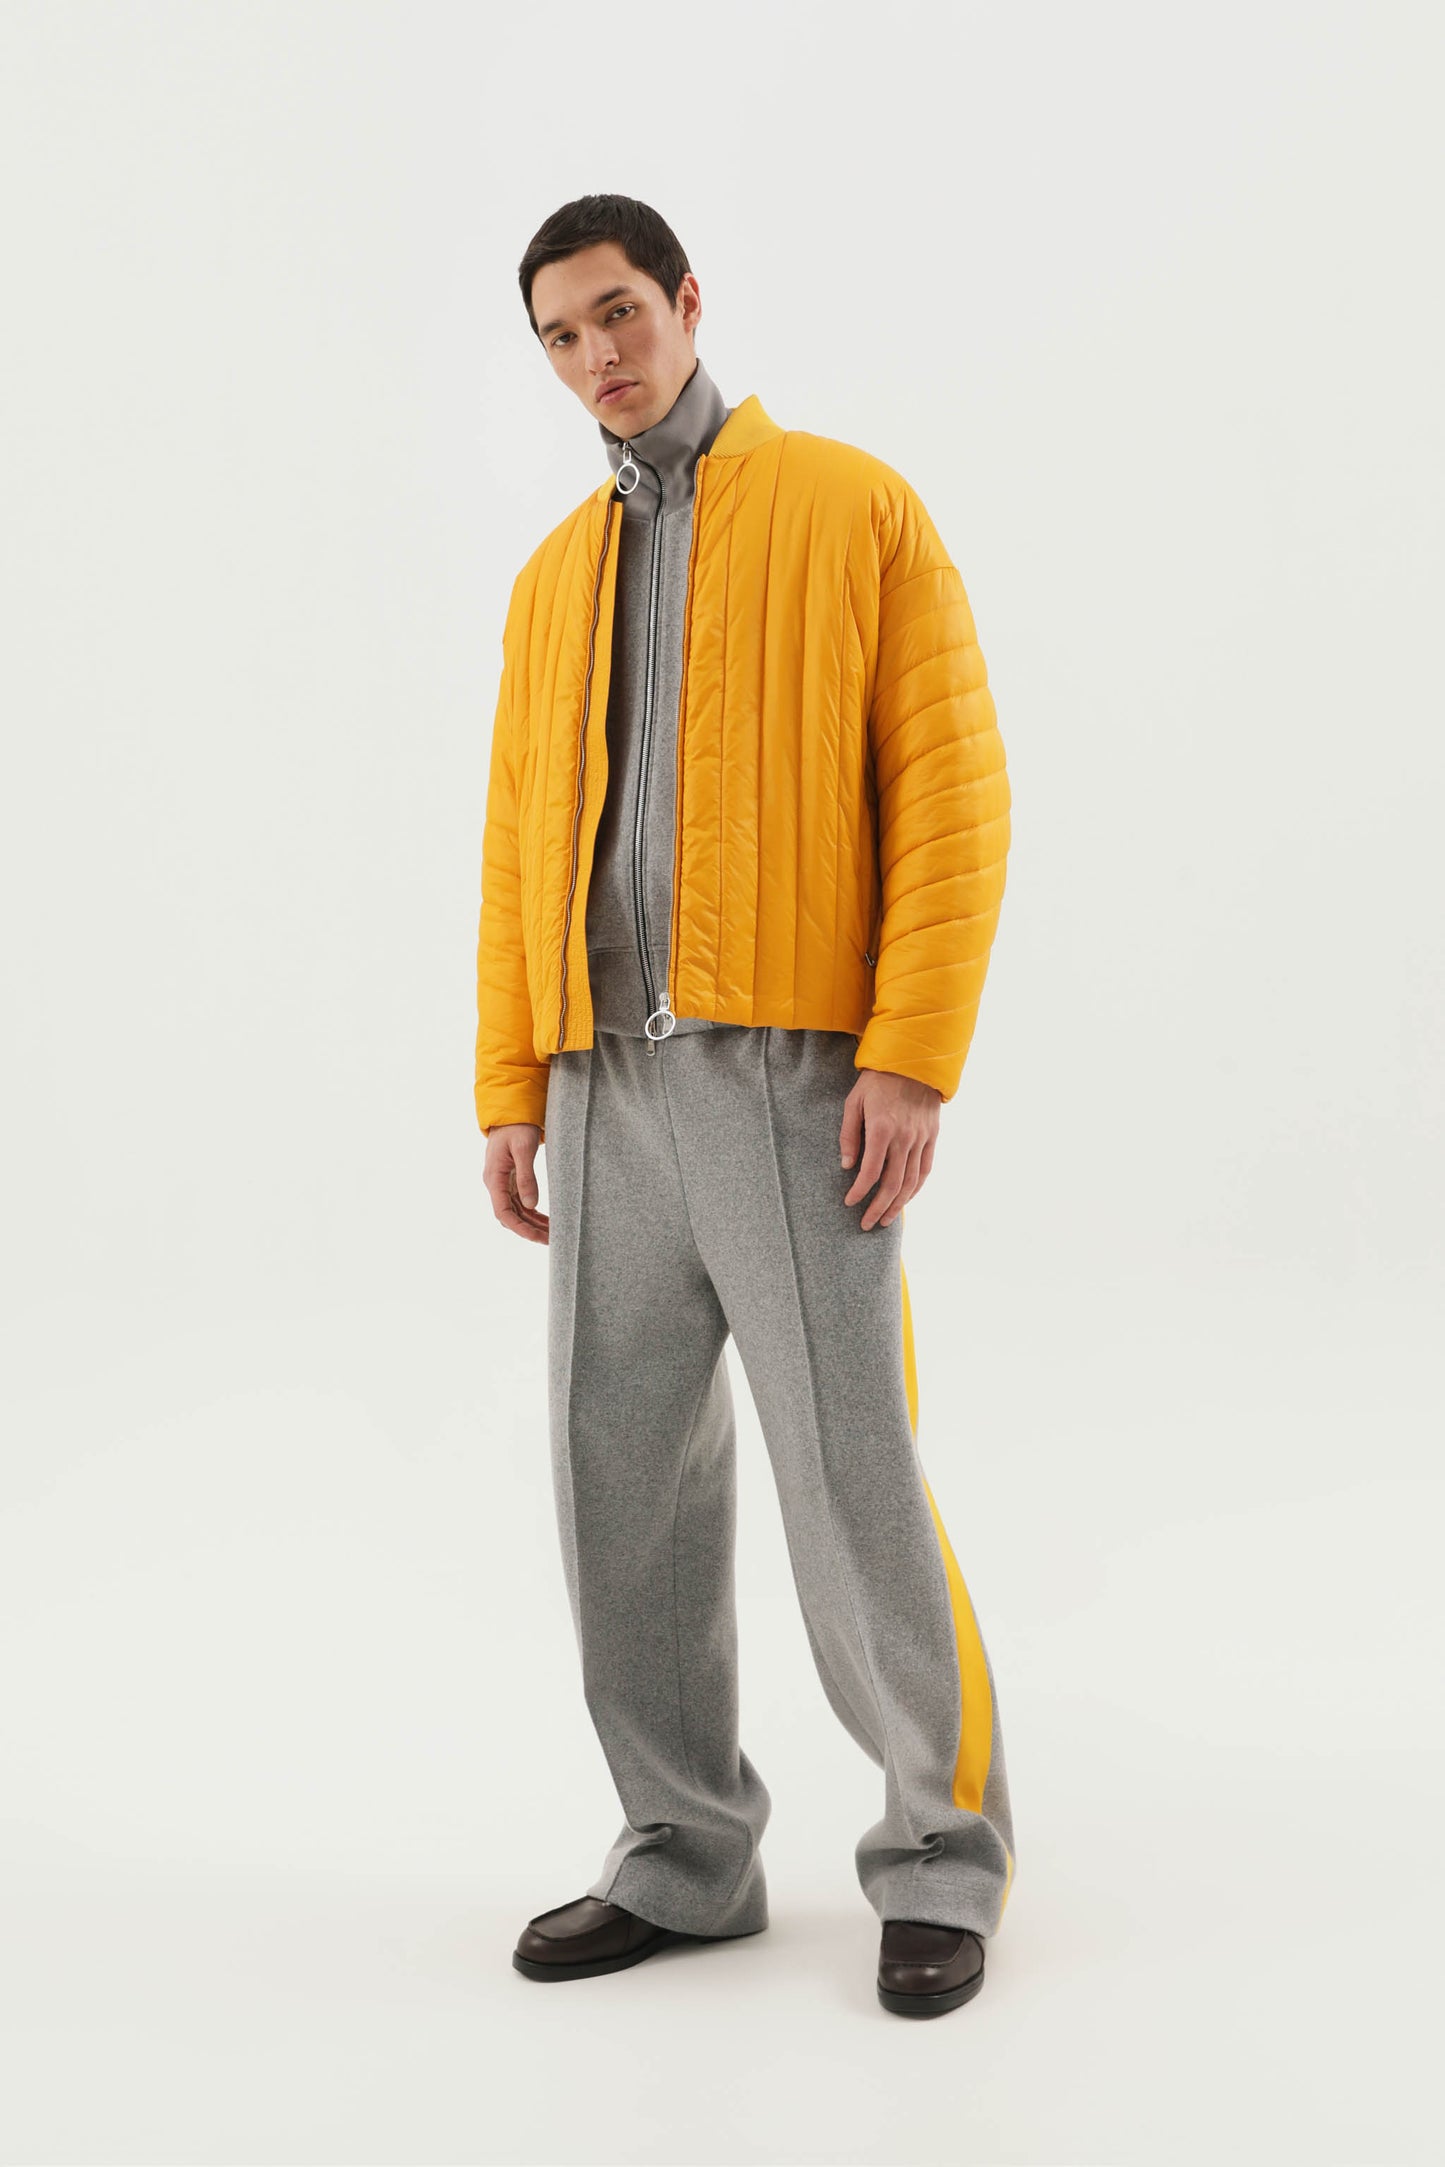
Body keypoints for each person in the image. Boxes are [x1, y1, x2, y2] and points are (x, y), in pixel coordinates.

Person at [474, 193, 1016, 2020]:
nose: (596, 357)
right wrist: (510, 1082)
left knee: (849, 1475)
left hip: (792, 1077)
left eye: (617, 314)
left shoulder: (850, 507)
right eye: (561, 337)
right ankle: (683, 1853)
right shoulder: (551, 576)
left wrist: (908, 1051)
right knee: (613, 1476)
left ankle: (941, 1854)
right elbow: (513, 849)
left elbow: (950, 788)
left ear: (686, 300)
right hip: (600, 1083)